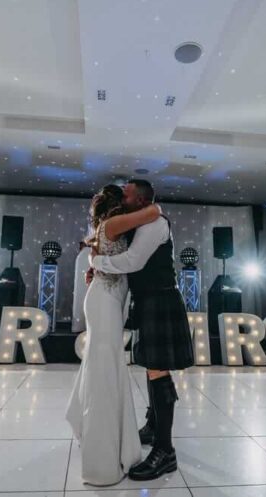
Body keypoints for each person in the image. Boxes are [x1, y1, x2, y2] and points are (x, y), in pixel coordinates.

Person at [88, 179, 194, 481]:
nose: (124, 197)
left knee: (159, 371)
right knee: (151, 368)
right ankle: (152, 426)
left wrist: (98, 262)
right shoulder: (140, 220)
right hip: (150, 299)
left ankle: (165, 451)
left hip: (161, 299)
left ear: (142, 201)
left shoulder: (155, 223)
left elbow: (133, 261)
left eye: (128, 194)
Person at [65, 184, 162, 486]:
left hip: (107, 297)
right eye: (126, 195)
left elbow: (99, 259)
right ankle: (102, 459)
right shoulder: (115, 223)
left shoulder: (107, 226)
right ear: (119, 204)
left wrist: (94, 264)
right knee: (105, 371)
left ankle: (102, 436)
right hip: (104, 301)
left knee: (104, 367)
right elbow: (155, 211)